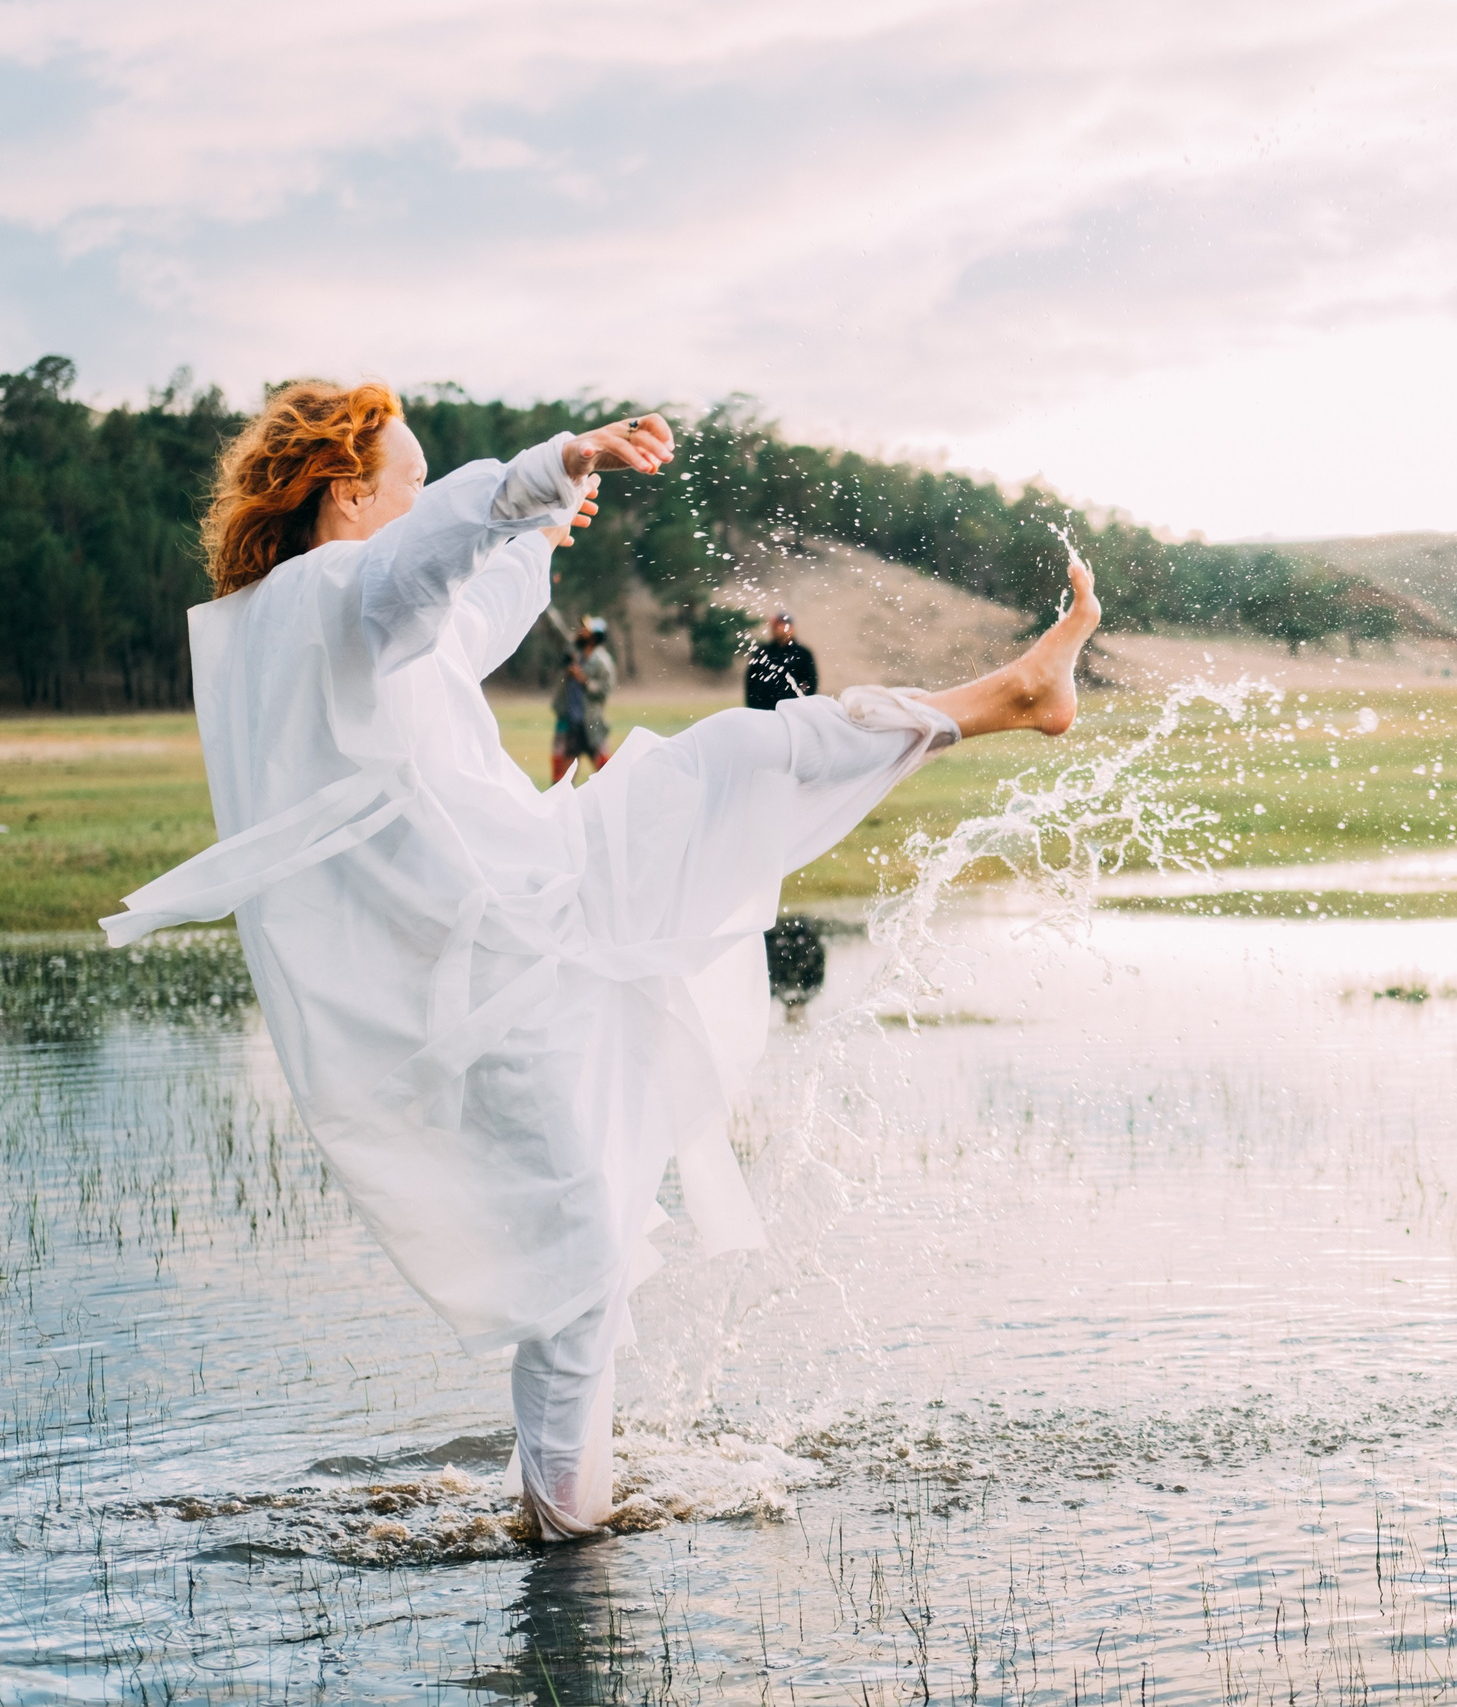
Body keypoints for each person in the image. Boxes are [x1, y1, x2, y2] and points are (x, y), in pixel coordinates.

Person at [99, 381, 1098, 1542]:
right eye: (411, 481)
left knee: (730, 777)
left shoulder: (315, 622)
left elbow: (462, 607)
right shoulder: (333, 595)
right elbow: (422, 564)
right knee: (577, 1248)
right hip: (499, 956)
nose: (424, 498)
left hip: (523, 914)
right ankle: (568, 1535)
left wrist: (534, 525)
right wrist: (546, 466)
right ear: (347, 495)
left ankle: (561, 1518)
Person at [550, 619, 617, 782]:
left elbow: (605, 690)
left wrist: (584, 680)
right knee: (563, 778)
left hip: (591, 724)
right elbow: (557, 631)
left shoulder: (602, 662)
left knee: (606, 774)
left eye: (585, 630)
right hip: (571, 723)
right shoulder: (575, 655)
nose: (580, 631)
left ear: (593, 638)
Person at [743, 611, 818, 711]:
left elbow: (811, 681)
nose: (776, 630)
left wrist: (803, 704)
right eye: (774, 627)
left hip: (791, 710)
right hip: (763, 709)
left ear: (791, 628)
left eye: (780, 626)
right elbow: (751, 680)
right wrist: (752, 705)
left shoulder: (802, 653)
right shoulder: (762, 652)